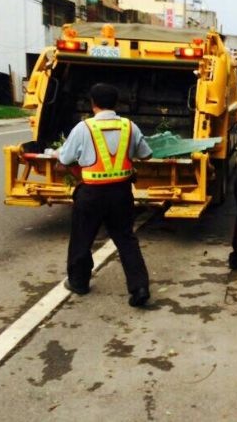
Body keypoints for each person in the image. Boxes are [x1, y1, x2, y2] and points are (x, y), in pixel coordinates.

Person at [54, 83, 152, 307]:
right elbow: (146, 154)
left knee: (82, 238)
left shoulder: (84, 128)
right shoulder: (130, 127)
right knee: (126, 239)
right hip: (121, 193)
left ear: (92, 103)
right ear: (116, 103)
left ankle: (79, 282)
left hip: (91, 194)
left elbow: (66, 159)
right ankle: (140, 287)